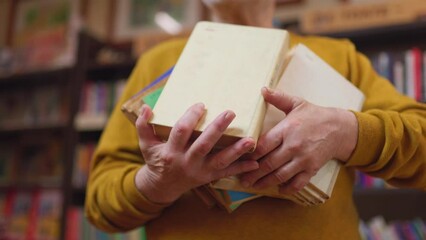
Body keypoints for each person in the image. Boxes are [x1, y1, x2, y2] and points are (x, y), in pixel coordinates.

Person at [84, 0, 426, 239]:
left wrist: (344, 131)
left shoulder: (341, 56)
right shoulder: (155, 62)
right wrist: (158, 183)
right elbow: (100, 206)